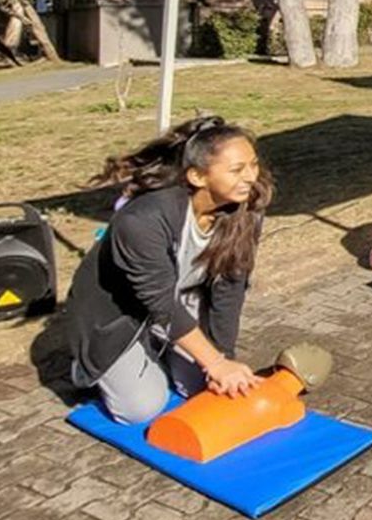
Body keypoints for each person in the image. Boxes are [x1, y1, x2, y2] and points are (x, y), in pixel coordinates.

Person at [64, 118, 270, 425]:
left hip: (176, 301)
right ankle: (89, 366)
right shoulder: (142, 220)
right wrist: (211, 360)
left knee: (201, 389)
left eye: (253, 165)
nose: (250, 177)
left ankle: (158, 347)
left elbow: (230, 287)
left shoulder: (246, 207)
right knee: (141, 409)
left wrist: (222, 358)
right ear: (198, 176)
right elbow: (159, 302)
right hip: (118, 314)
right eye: (237, 170)